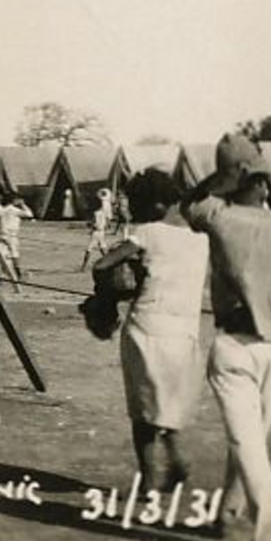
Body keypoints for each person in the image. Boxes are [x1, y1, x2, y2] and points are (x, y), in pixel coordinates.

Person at [183, 134, 271, 541]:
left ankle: (258, 529)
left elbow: (187, 204)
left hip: (234, 345)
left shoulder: (218, 215)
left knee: (247, 444)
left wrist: (224, 176)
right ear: (263, 183)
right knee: (251, 440)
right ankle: (251, 526)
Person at [117, 169, 209, 492]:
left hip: (146, 325)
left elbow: (104, 264)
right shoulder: (201, 238)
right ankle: (175, 457)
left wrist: (111, 287)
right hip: (185, 331)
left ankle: (148, 479)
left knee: (142, 407)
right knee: (168, 402)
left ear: (155, 205)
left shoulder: (148, 232)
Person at [0, 190, 33, 284]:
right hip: (12, 235)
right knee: (14, 254)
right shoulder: (13, 210)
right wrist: (23, 205)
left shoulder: (2, 210)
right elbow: (29, 214)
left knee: (2, 254)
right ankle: (17, 273)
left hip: (2, 234)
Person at [80, 188, 113, 271]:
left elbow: (92, 223)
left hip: (96, 232)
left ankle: (83, 266)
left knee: (89, 249)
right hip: (102, 231)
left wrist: (89, 224)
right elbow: (108, 219)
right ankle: (109, 263)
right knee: (102, 247)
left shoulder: (96, 213)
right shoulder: (106, 208)